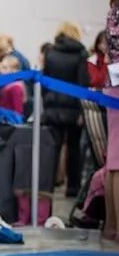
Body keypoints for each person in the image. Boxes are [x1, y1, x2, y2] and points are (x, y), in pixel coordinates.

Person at [41, 21, 89, 198]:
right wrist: (82, 111)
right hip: (74, 108)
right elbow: (82, 82)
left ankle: (48, 184)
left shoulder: (50, 52)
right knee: (74, 149)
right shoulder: (81, 54)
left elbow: (45, 80)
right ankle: (73, 188)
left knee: (52, 148)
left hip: (53, 106)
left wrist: (47, 102)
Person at [102, 0, 119, 241]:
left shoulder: (112, 12)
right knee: (117, 163)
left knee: (112, 162)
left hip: (111, 85)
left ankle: (110, 226)